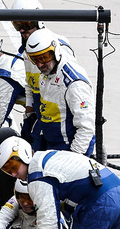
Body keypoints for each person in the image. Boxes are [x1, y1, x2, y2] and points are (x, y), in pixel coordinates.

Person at [9, 0, 74, 146]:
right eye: (18, 25)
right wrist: (29, 114)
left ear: (39, 21)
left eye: (26, 24)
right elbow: (30, 84)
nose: (23, 30)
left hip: (61, 121)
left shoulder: (59, 47)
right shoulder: (27, 50)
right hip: (42, 117)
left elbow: (73, 89)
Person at [25, 28, 95, 156]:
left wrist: (73, 158)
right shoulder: (45, 74)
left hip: (71, 148)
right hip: (53, 144)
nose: (40, 65)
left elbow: (86, 128)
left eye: (44, 57)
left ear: (55, 51)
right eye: (35, 60)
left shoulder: (74, 83)